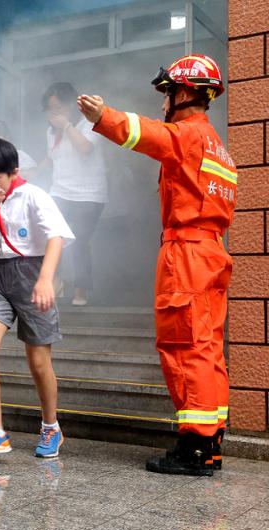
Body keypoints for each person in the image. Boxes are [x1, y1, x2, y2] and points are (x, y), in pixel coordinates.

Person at [78, 54, 234, 476]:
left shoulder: (189, 135)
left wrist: (103, 116)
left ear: (183, 94)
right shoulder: (218, 147)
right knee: (207, 346)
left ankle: (194, 448)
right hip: (211, 252)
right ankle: (211, 442)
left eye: (167, 93)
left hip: (187, 254)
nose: (164, 102)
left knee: (185, 345)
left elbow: (146, 134)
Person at [0, 138, 74, 458]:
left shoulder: (34, 195)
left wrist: (45, 279)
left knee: (38, 363)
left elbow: (56, 237)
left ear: (14, 172)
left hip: (32, 276)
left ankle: (51, 426)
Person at [42, 82, 108, 306]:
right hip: (59, 191)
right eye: (50, 109)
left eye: (58, 108)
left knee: (80, 239)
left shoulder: (90, 123)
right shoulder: (51, 132)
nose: (54, 113)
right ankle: (54, 285)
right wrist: (33, 172)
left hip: (89, 194)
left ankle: (81, 291)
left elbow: (85, 148)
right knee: (51, 235)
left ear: (71, 104)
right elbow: (52, 158)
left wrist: (67, 126)